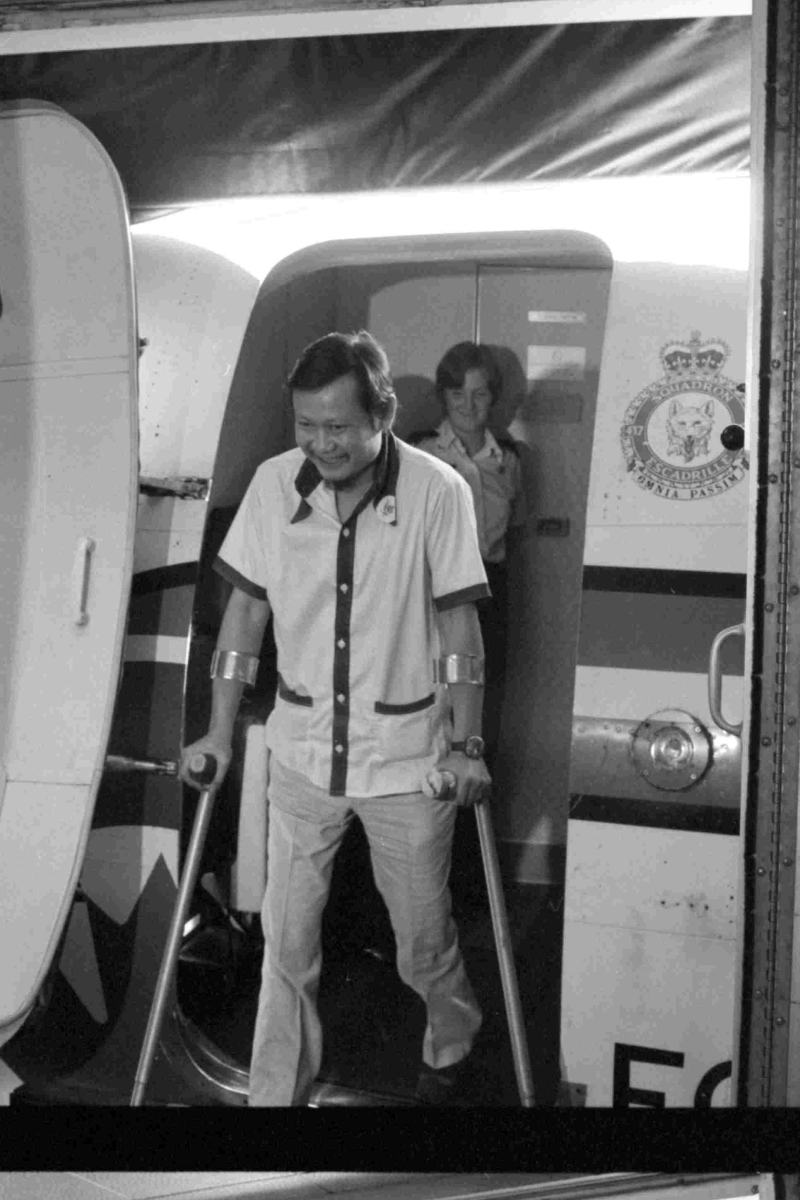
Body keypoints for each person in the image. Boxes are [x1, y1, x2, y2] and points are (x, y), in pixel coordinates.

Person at [180, 330, 493, 1107]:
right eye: (306, 425)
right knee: (286, 945)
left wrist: (467, 744)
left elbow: (459, 628)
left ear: (381, 414)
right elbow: (244, 618)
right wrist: (218, 731)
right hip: (302, 755)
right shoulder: (273, 485)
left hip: (407, 761)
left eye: (339, 427)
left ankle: (454, 1030)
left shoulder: (438, 491)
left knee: (422, 942)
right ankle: (274, 1098)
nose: (321, 444)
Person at [408, 341, 526, 761]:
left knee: (482, 706)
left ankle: (473, 793)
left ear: (493, 397)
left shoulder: (509, 459)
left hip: (488, 590)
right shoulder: (420, 452)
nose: (468, 405)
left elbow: (513, 532)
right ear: (443, 396)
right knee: (430, 700)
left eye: (479, 393)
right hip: (431, 590)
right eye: (458, 393)